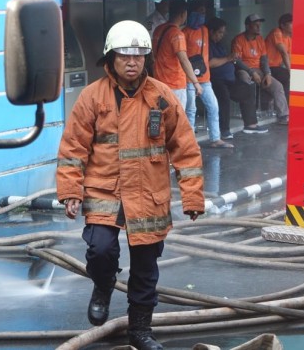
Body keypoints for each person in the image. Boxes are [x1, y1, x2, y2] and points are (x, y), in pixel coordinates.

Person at [56, 20, 205, 350]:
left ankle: (140, 329)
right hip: (104, 189)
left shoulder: (161, 97)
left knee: (145, 267)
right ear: (111, 58)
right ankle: (104, 283)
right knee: (100, 250)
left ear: (146, 59)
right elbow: (72, 148)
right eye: (125, 55)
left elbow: (185, 147)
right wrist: (70, 191)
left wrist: (192, 195)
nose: (132, 62)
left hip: (148, 193)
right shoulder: (92, 97)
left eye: (138, 55)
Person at [183, 0, 233, 148]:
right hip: (189, 78)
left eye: (203, 12)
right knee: (191, 110)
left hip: (205, 78)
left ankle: (215, 139)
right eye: (199, 12)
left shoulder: (205, 31)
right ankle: (190, 142)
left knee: (213, 107)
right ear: (190, 13)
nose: (202, 15)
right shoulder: (184, 32)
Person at [208, 17, 268, 138]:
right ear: (211, 31)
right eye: (219, 32)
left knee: (247, 89)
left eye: (223, 33)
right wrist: (228, 58)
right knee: (224, 97)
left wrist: (231, 59)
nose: (222, 35)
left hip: (229, 79)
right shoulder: (208, 45)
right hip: (215, 80)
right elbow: (209, 63)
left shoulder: (219, 45)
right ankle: (224, 130)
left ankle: (250, 125)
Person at [232, 13, 289, 125]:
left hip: (259, 70)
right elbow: (237, 61)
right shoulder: (238, 39)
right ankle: (249, 116)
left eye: (259, 25)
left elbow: (264, 59)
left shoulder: (260, 39)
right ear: (248, 26)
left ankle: (283, 115)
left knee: (277, 86)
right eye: (255, 25)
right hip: (244, 69)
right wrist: (251, 72)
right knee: (246, 81)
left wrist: (267, 74)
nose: (259, 27)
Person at [152, 0, 202, 109]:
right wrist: (196, 82)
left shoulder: (158, 30)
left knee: (162, 119)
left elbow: (153, 55)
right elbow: (184, 60)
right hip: (175, 84)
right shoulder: (177, 34)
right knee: (176, 120)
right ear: (183, 14)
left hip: (159, 83)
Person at [265, 13, 292, 103]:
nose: (294, 25)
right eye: (291, 23)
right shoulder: (276, 32)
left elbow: (289, 55)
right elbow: (283, 52)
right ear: (282, 25)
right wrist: (290, 70)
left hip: (276, 67)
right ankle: (288, 106)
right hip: (267, 66)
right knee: (287, 76)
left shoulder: (288, 38)